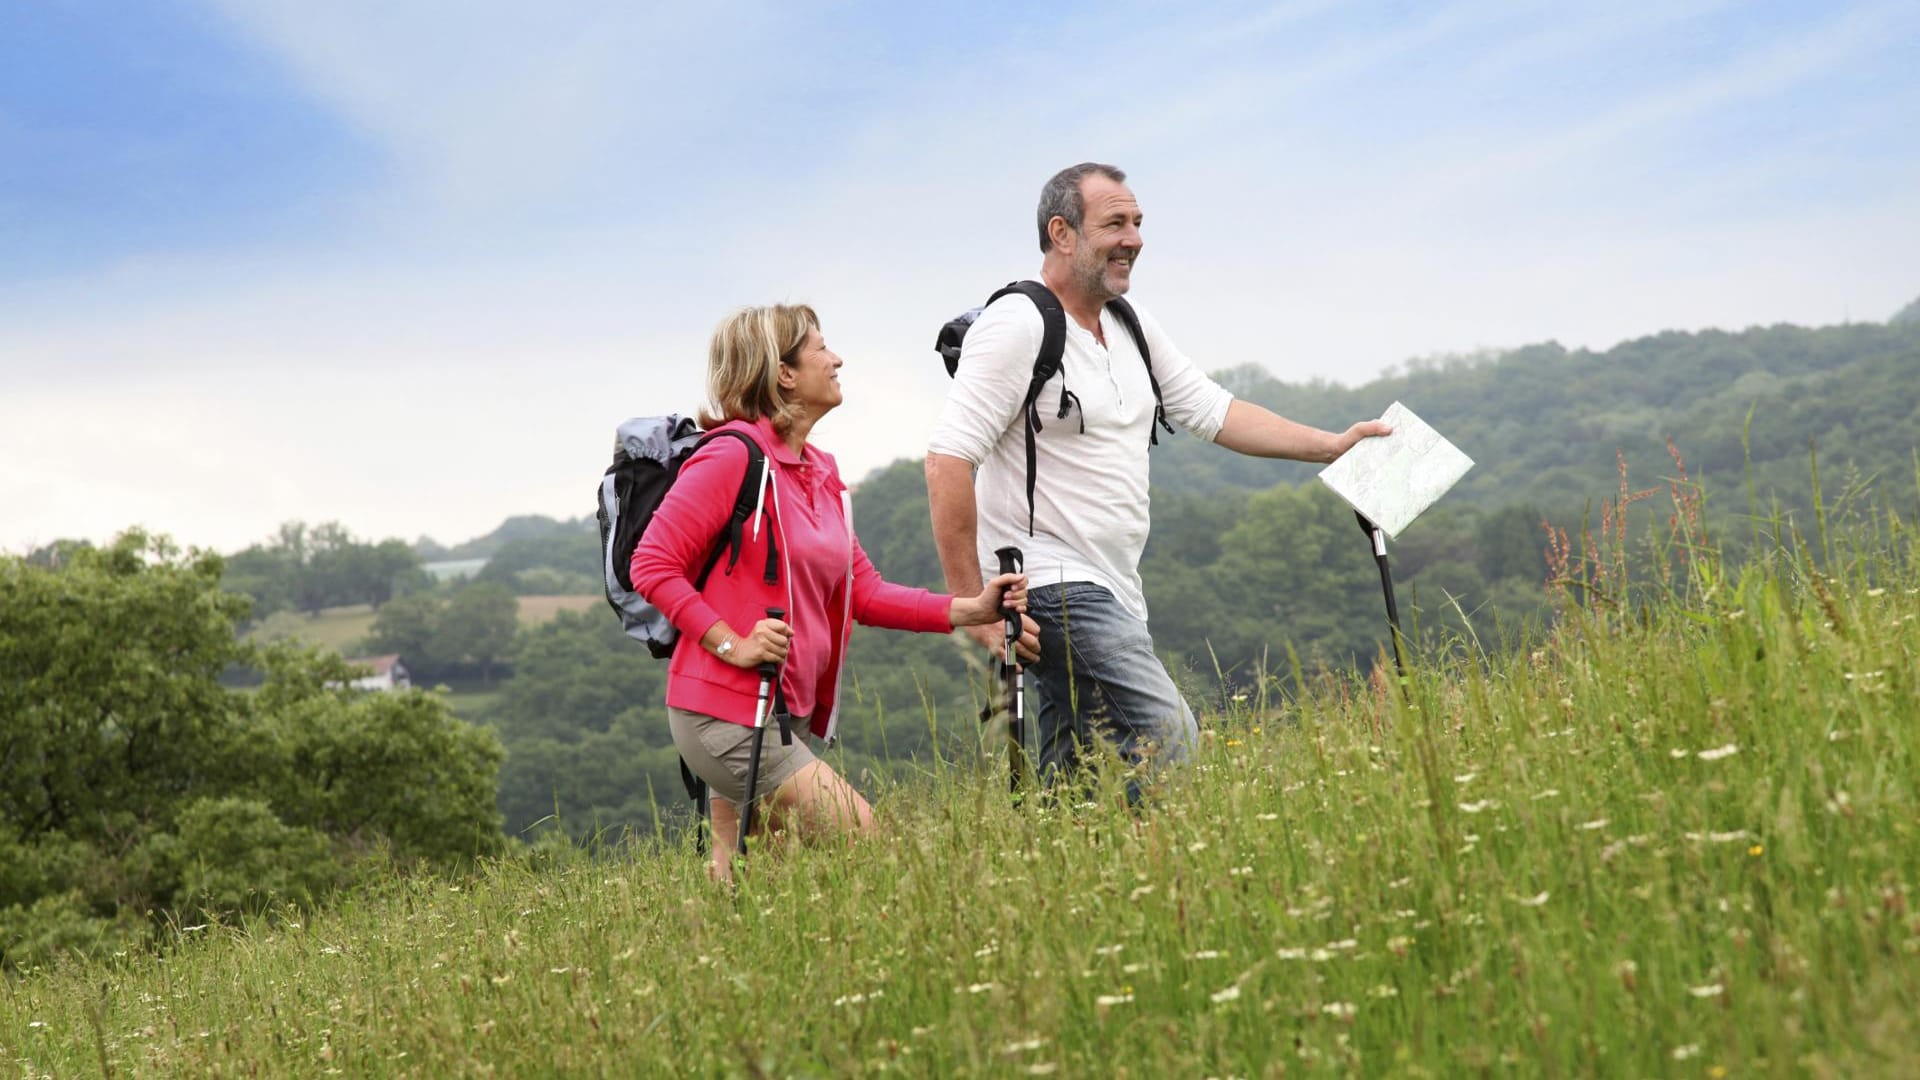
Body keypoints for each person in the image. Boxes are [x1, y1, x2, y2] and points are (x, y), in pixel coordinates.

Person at [925, 162, 1389, 799]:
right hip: (1052, 585)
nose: (1135, 238)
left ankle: (1074, 882)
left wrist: (1330, 445)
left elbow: (1214, 411)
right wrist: (971, 608)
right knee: (1168, 736)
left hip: (1117, 588)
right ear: (1062, 233)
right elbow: (948, 460)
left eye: (1138, 223)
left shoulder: (1128, 322)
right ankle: (1173, 874)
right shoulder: (1017, 325)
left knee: (1076, 784)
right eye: (1114, 223)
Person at [632, 303, 1027, 880]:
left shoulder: (819, 471)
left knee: (748, 876)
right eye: (820, 347)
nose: (836, 358)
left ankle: (703, 968)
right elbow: (653, 565)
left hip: (777, 708)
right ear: (783, 372)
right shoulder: (732, 456)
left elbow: (862, 592)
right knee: (870, 841)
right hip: (726, 711)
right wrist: (731, 643)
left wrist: (968, 610)